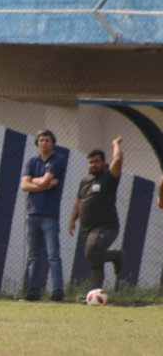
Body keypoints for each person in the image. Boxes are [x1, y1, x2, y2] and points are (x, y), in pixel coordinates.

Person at [68, 137, 124, 290]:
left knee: (91, 253)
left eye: (96, 162)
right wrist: (72, 220)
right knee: (94, 263)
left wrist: (116, 145)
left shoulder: (109, 177)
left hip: (106, 226)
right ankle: (95, 295)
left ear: (103, 162)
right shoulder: (85, 180)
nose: (93, 165)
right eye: (91, 162)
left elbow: (118, 159)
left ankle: (116, 255)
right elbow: (78, 202)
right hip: (86, 228)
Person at [20, 129, 66, 302]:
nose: (44, 143)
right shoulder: (31, 161)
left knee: (53, 255)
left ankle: (57, 292)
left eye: (47, 140)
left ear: (52, 142)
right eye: (41, 140)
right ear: (37, 143)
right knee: (33, 256)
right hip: (32, 214)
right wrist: (44, 185)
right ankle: (33, 292)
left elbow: (43, 180)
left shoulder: (58, 159)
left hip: (50, 215)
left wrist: (34, 181)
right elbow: (24, 186)